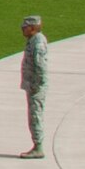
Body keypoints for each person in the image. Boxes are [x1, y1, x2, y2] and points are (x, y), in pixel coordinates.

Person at [20, 15, 50, 159]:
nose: (22, 30)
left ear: (32, 28)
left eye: (25, 27)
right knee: (33, 115)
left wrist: (37, 85)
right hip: (33, 85)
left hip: (36, 86)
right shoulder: (33, 40)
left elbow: (40, 66)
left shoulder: (37, 42)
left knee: (35, 115)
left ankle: (38, 147)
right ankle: (36, 145)